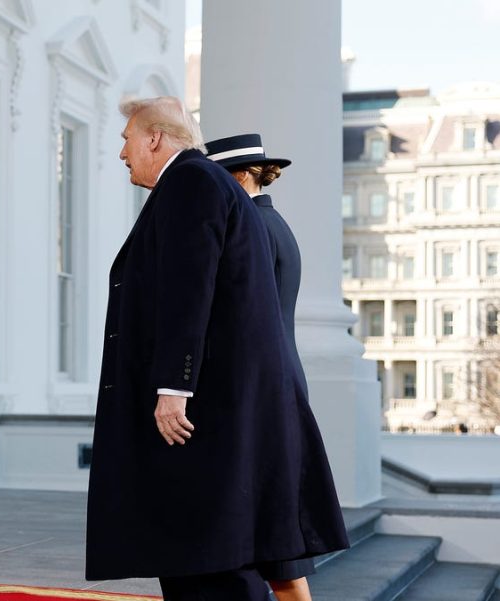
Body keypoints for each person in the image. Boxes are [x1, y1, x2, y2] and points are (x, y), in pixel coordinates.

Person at [85, 96, 349, 601]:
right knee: (202, 556)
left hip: (201, 412)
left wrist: (173, 387)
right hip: (220, 409)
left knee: (210, 561)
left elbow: (191, 290)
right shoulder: (203, 186)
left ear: (155, 138)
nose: (122, 154)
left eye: (126, 140)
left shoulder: (191, 182)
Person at [206, 133, 315, 601]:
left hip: (262, 389)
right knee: (279, 547)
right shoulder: (276, 222)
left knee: (276, 546)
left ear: (237, 177)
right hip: (281, 379)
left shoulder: (250, 226)